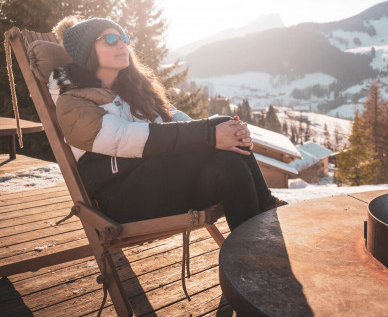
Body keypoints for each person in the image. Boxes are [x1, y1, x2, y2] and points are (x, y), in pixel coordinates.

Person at [49, 16, 285, 231]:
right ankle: (268, 213)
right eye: (110, 39)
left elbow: (171, 117)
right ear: (86, 51)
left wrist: (214, 136)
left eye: (124, 38)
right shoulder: (73, 102)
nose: (122, 44)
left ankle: (253, 252)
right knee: (218, 129)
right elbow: (127, 137)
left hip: (157, 181)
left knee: (229, 165)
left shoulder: (131, 89)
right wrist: (209, 136)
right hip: (121, 198)